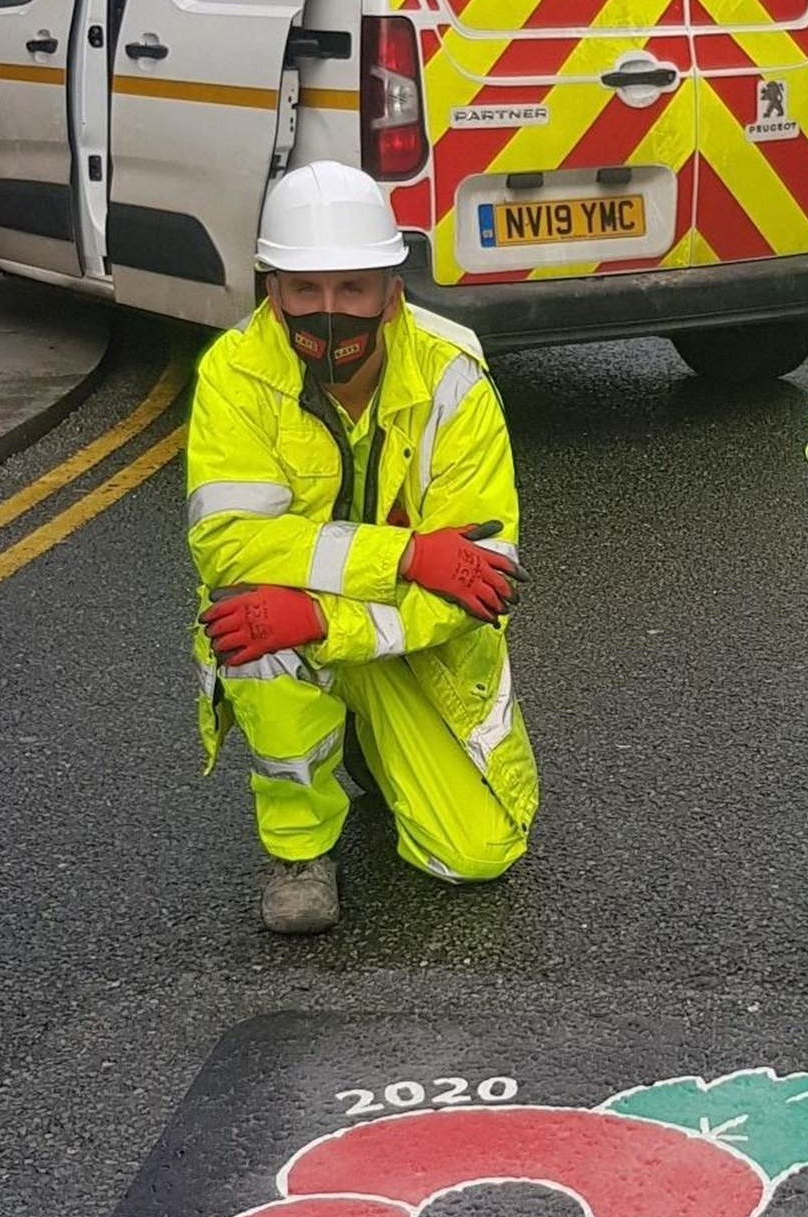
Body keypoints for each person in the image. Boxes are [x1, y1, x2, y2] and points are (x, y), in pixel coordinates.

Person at [187, 161, 538, 934]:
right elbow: (229, 544)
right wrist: (408, 556)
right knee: (247, 621)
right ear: (272, 292)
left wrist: (324, 621)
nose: (329, 311)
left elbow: (485, 583)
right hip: (342, 611)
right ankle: (299, 850)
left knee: (473, 856)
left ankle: (368, 743)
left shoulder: (455, 377)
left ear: (392, 290)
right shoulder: (233, 376)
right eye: (305, 290)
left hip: (406, 638)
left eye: (352, 289)